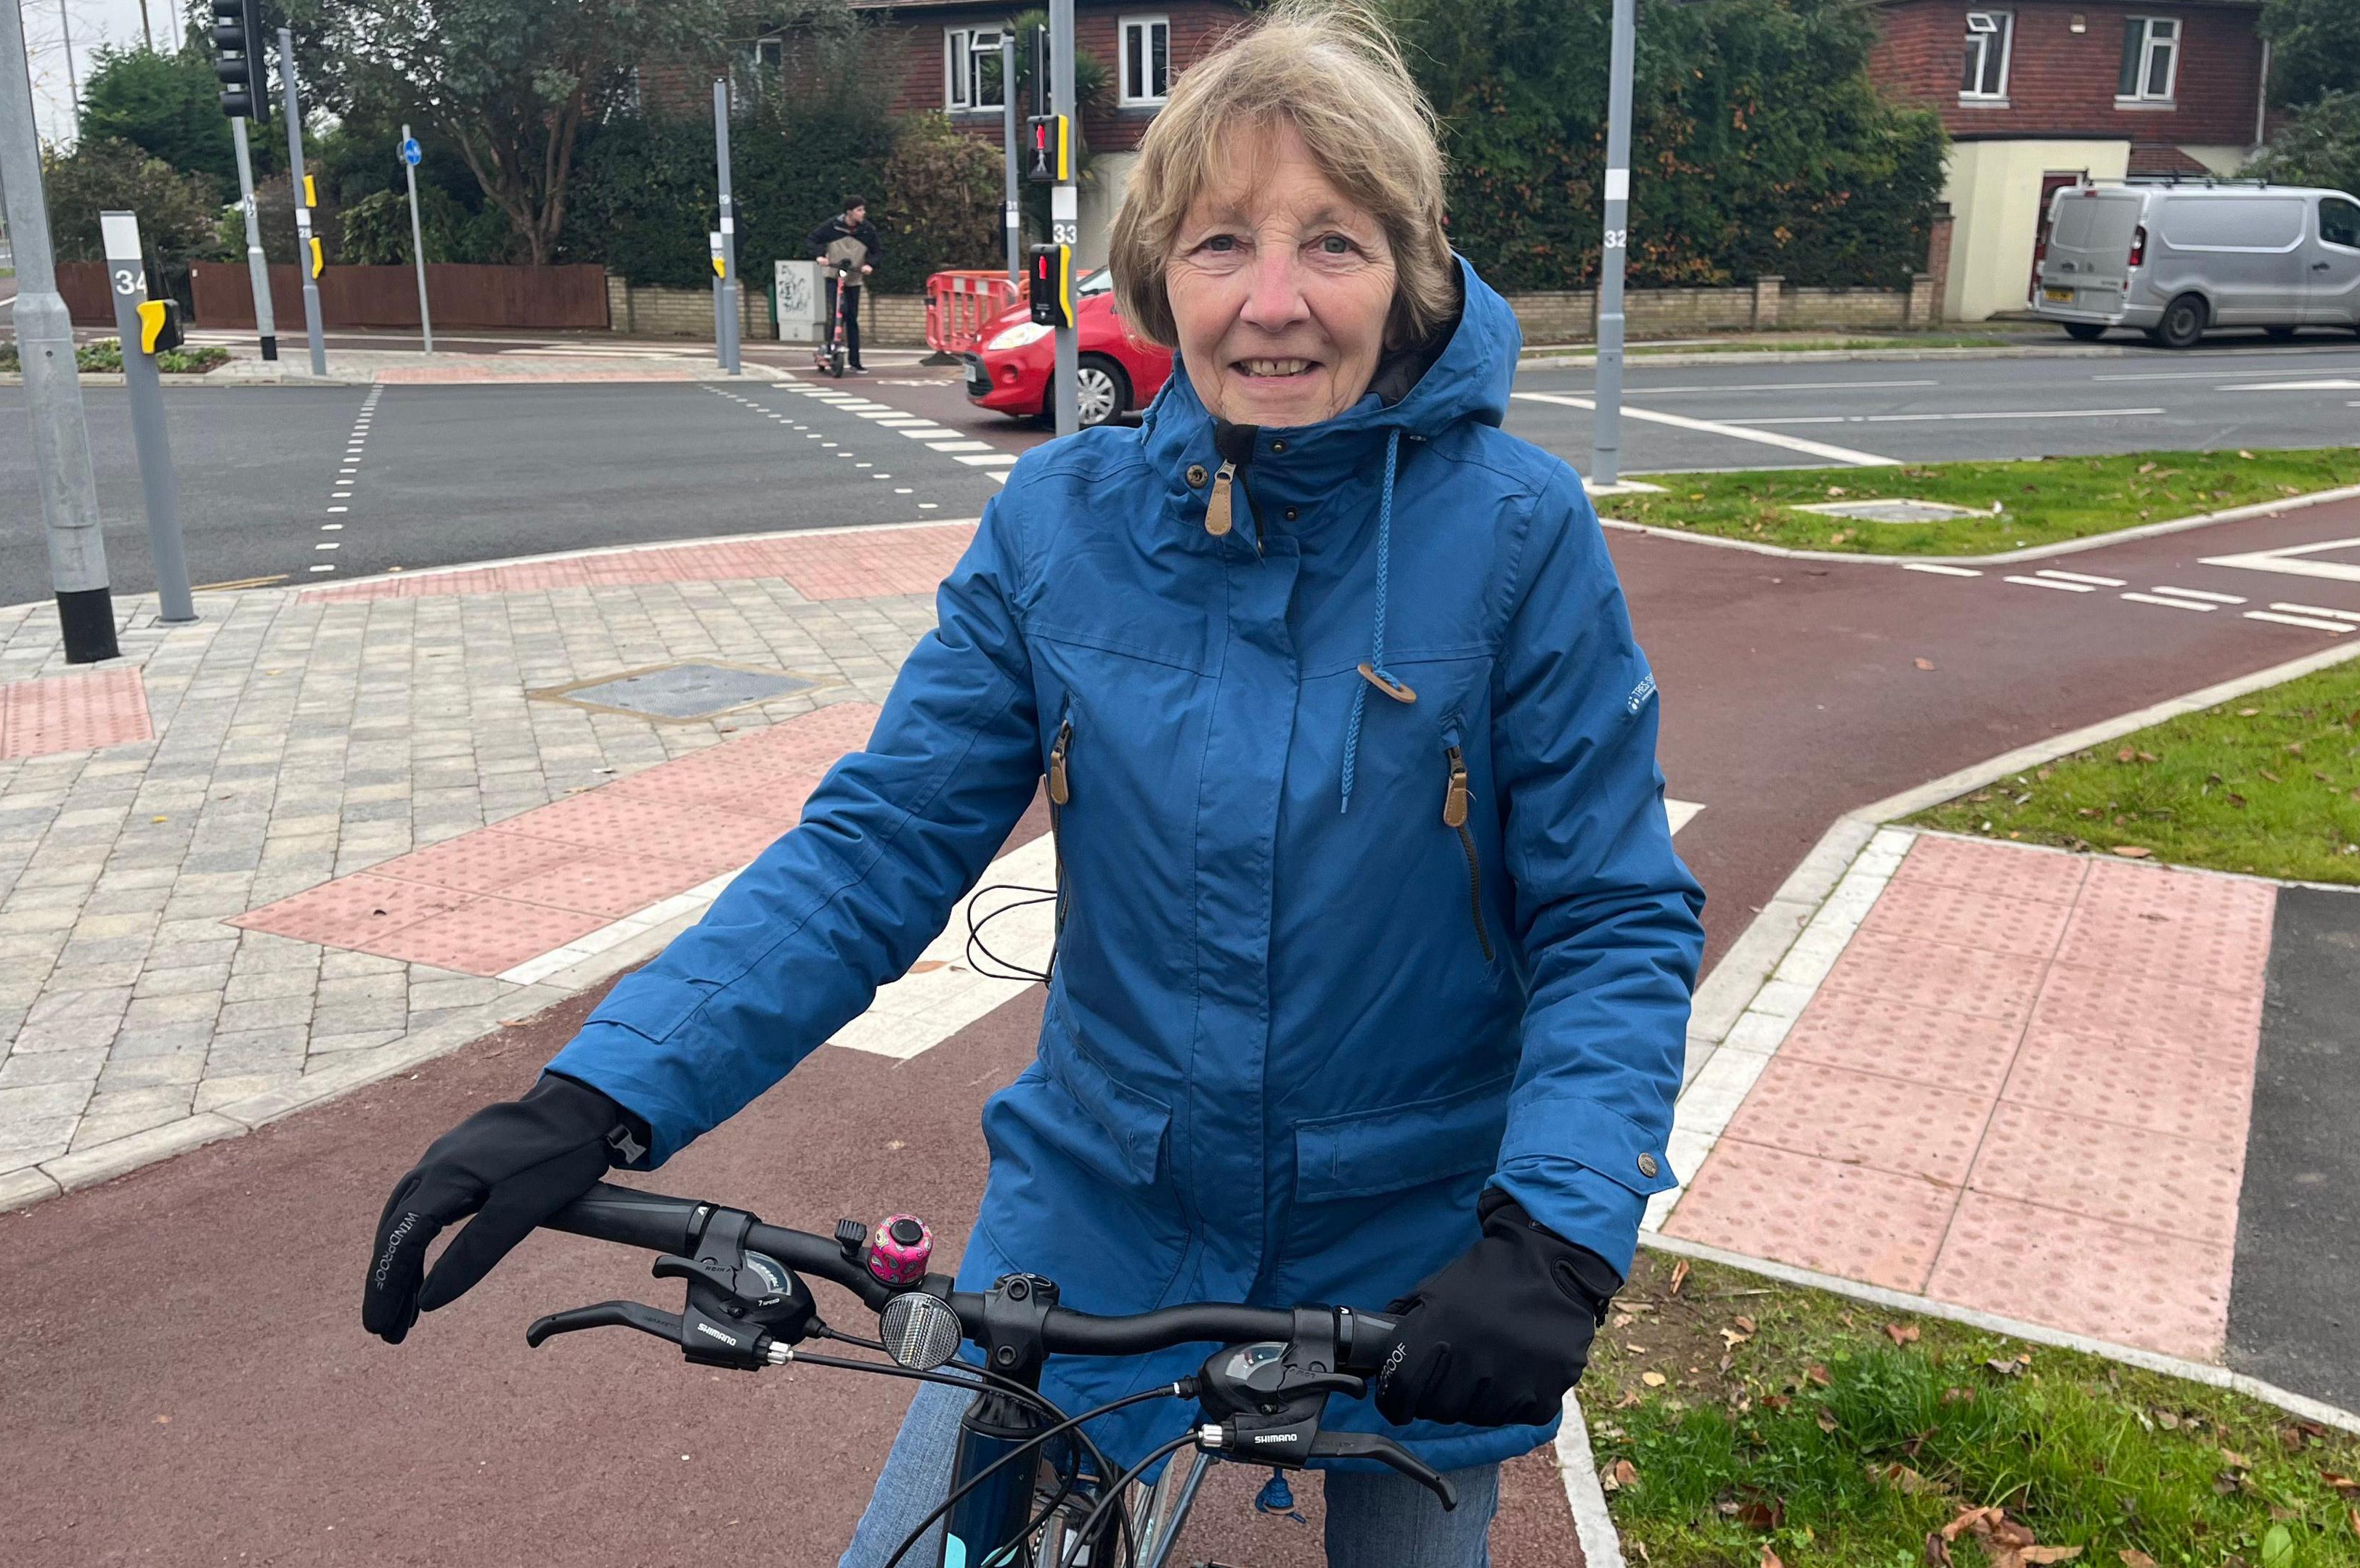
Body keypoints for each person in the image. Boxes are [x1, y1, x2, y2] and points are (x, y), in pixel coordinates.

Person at [360, 6, 1704, 1564]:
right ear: (1158, 279)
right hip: (1101, 1203)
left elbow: (1611, 914)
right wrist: (600, 1095)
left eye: (1330, 243)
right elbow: (878, 848)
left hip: (1418, 1233)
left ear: (1405, 271)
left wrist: (1552, 1236)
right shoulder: (1058, 527)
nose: (1274, 303)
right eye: (1220, 244)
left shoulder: (1520, 532)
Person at [810, 197, 880, 371]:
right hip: (835, 275)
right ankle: (830, 351)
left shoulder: (866, 230)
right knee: (838, 314)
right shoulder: (832, 226)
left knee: (851, 318)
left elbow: (878, 250)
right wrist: (820, 255)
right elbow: (813, 240)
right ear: (849, 212)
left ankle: (855, 361)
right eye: (859, 210)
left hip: (853, 277)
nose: (863, 213)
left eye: (863, 210)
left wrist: (869, 264)